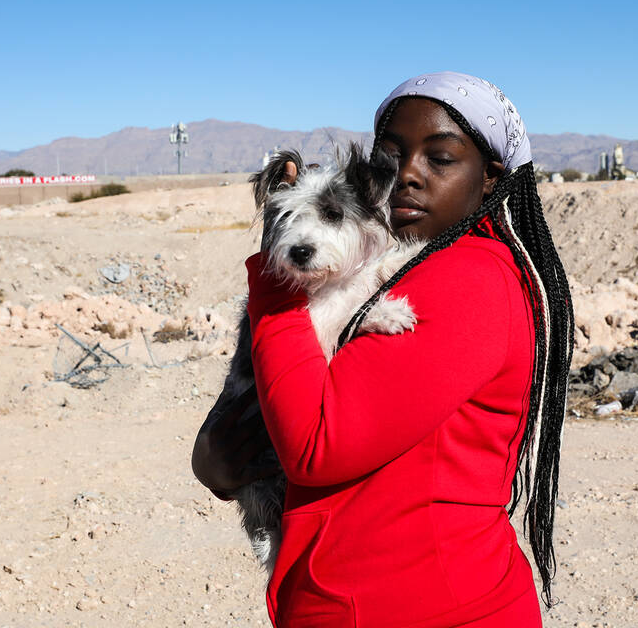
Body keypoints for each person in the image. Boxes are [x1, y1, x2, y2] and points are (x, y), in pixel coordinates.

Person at [192, 71, 574, 626]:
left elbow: (313, 444)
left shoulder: (468, 278)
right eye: (389, 158)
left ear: (491, 177)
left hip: (423, 607)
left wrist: (278, 277)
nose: (406, 177)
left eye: (440, 159)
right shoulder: (401, 269)